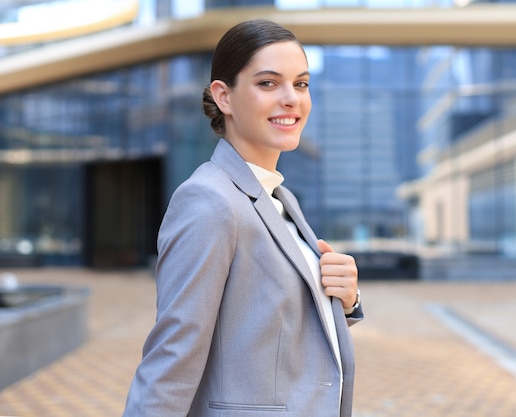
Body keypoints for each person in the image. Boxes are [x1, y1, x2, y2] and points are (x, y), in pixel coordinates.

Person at [122, 19, 363, 417]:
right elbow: (173, 357)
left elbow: (267, 336)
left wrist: (345, 298)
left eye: (301, 84)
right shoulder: (209, 201)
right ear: (224, 96)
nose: (291, 99)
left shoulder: (279, 196)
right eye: (268, 83)